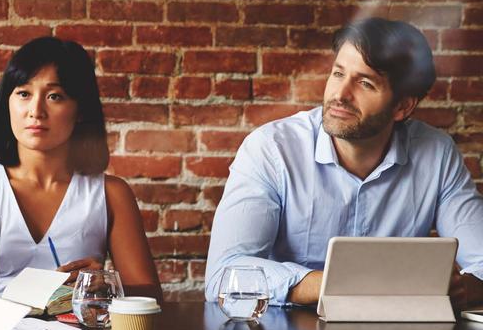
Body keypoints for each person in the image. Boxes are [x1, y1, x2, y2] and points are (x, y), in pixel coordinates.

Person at [205, 17, 483, 308]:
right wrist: (342, 285)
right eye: (338, 74)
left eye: (364, 83)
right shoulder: (272, 149)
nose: (339, 94)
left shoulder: (436, 154)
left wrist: (460, 289)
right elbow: (223, 276)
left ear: (402, 106)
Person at [0, 36, 162, 300]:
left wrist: (105, 285)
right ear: (7, 101)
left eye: (55, 96)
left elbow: (151, 297)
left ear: (80, 110)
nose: (36, 111)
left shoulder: (110, 193)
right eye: (23, 93)